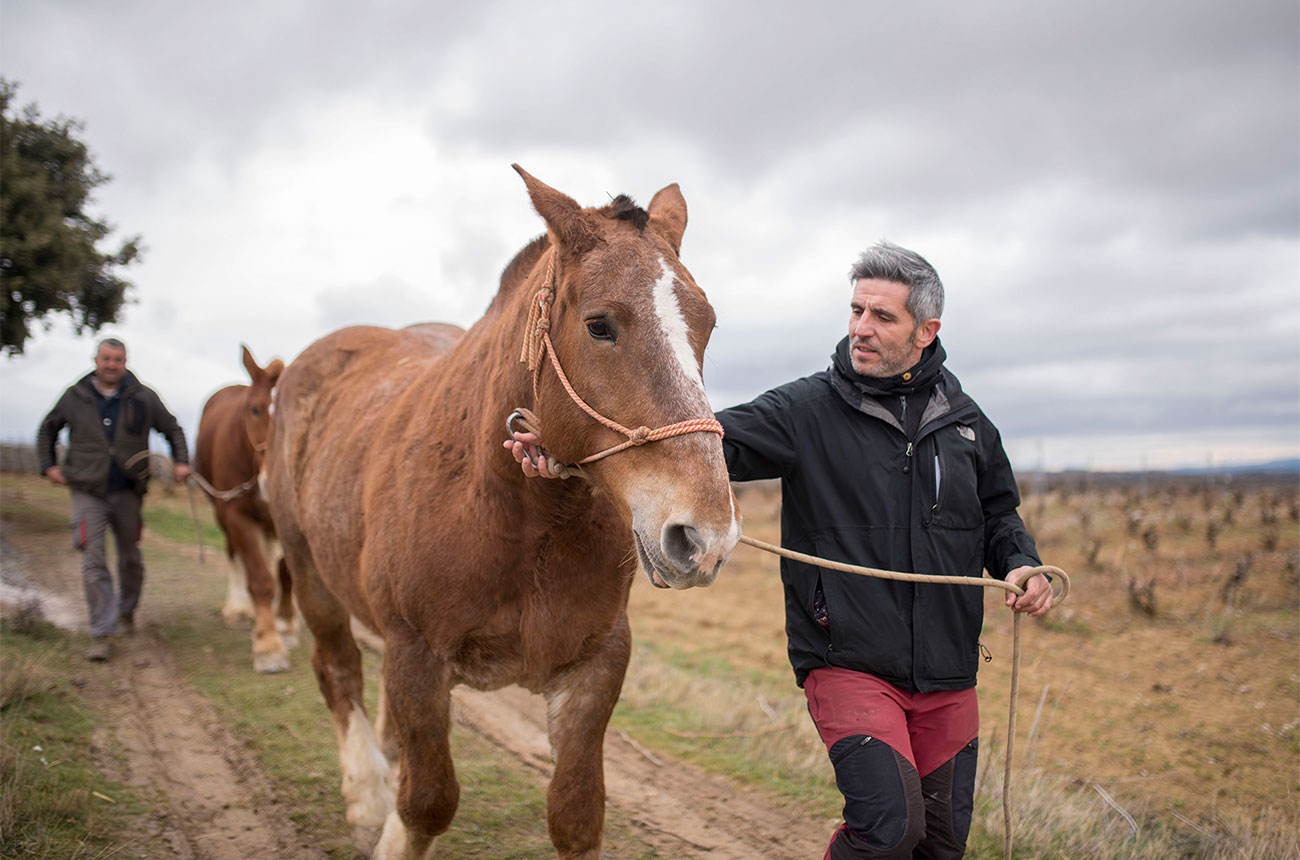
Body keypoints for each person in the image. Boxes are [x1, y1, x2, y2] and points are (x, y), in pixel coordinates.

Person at [506, 241, 1053, 859]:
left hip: (949, 672)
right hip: (849, 661)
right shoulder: (806, 410)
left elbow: (999, 514)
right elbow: (696, 442)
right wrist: (566, 450)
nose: (861, 329)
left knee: (942, 845)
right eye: (856, 311)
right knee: (888, 831)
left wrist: (1021, 563)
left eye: (882, 317)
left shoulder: (968, 424)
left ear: (926, 331)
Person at [36, 337, 191, 661]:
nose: (111, 365)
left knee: (130, 558)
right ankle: (101, 633)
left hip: (127, 492)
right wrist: (48, 466)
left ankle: (126, 611)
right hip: (87, 491)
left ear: (125, 361)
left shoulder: (143, 397)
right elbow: (47, 430)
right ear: (96, 359)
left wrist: (180, 461)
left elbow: (172, 428)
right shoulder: (75, 396)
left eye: (117, 359)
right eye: (106, 358)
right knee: (93, 561)